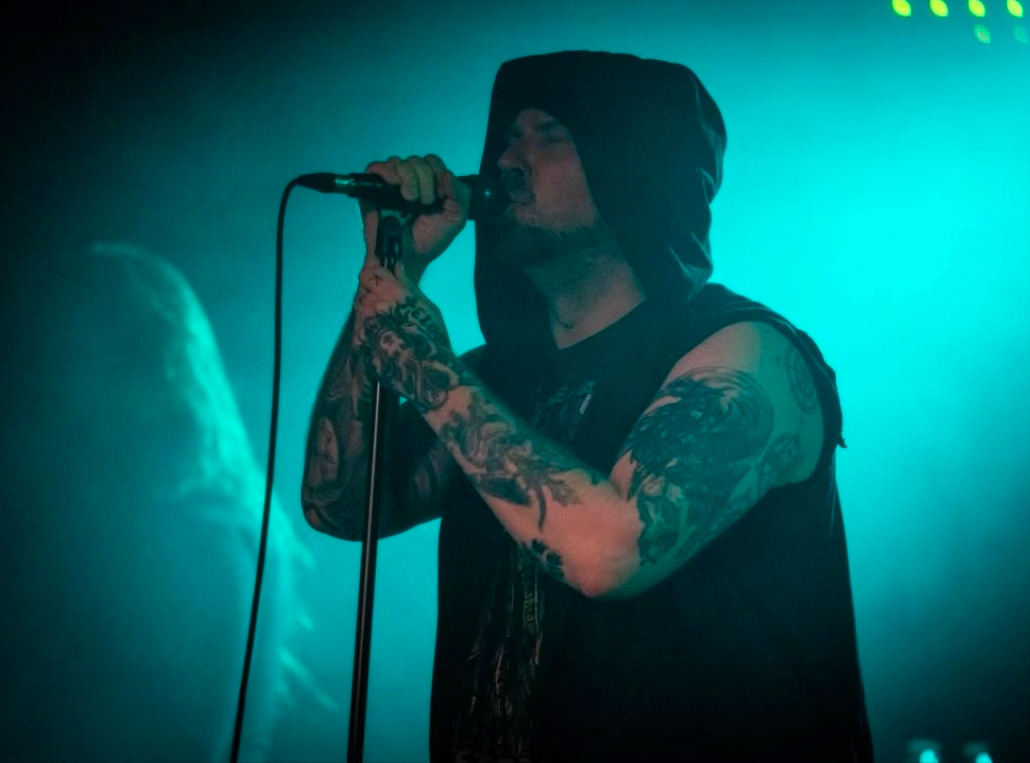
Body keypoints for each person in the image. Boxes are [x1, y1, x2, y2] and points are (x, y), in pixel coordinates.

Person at [302, 51, 873, 762]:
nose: (507, 160)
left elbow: (611, 552)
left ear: (634, 167)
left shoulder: (745, 354)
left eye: (550, 135)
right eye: (508, 136)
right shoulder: (493, 379)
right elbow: (337, 503)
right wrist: (390, 272)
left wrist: (425, 363)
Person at [1, 242, 310, 762]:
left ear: (145, 363)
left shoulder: (205, 531)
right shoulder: (183, 517)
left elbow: (189, 738)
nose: (48, 375)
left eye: (72, 352)